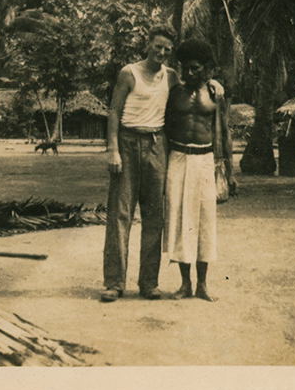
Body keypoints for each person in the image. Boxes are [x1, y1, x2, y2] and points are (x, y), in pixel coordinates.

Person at [100, 24, 179, 302]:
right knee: (120, 214)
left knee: (154, 217)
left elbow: (192, 91)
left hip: (157, 146)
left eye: (167, 49)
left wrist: (214, 84)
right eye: (157, 46)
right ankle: (114, 283)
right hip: (127, 142)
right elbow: (114, 111)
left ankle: (148, 283)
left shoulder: (171, 76)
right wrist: (113, 150)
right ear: (147, 44)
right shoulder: (129, 72)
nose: (161, 52)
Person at [163, 38, 236, 301]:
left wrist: (230, 170)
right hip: (179, 158)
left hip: (205, 160)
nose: (189, 73)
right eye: (185, 68)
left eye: (195, 68)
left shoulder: (215, 94)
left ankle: (203, 285)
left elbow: (225, 132)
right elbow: (165, 132)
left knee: (205, 222)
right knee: (182, 222)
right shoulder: (175, 94)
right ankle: (185, 285)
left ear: (206, 69)